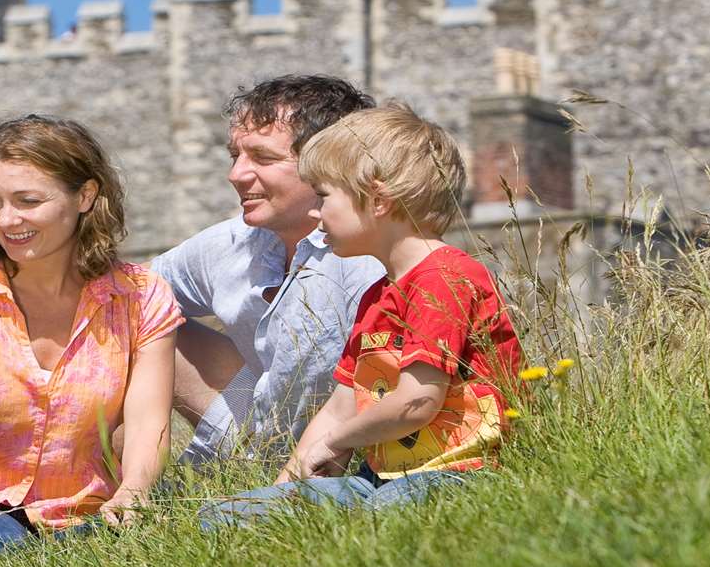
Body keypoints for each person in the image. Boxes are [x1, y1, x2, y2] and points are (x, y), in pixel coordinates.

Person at [200, 103, 524, 525]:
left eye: (323, 196)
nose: (315, 213)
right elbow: (341, 406)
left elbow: (416, 403)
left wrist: (336, 441)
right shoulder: (378, 295)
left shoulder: (445, 278)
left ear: (377, 198)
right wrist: (288, 490)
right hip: (380, 479)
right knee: (225, 516)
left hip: (461, 473)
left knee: (381, 518)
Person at [0, 115, 182, 553]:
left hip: (81, 511)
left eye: (27, 200)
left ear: (85, 196)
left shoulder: (141, 296)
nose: (6, 219)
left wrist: (133, 493)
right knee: (5, 545)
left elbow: (147, 423)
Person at [153, 74, 387, 462]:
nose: (236, 175)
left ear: (328, 163)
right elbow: (118, 287)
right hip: (257, 429)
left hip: (347, 455)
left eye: (262, 158)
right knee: (130, 313)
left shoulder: (373, 259)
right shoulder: (234, 241)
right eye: (235, 156)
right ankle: (97, 492)